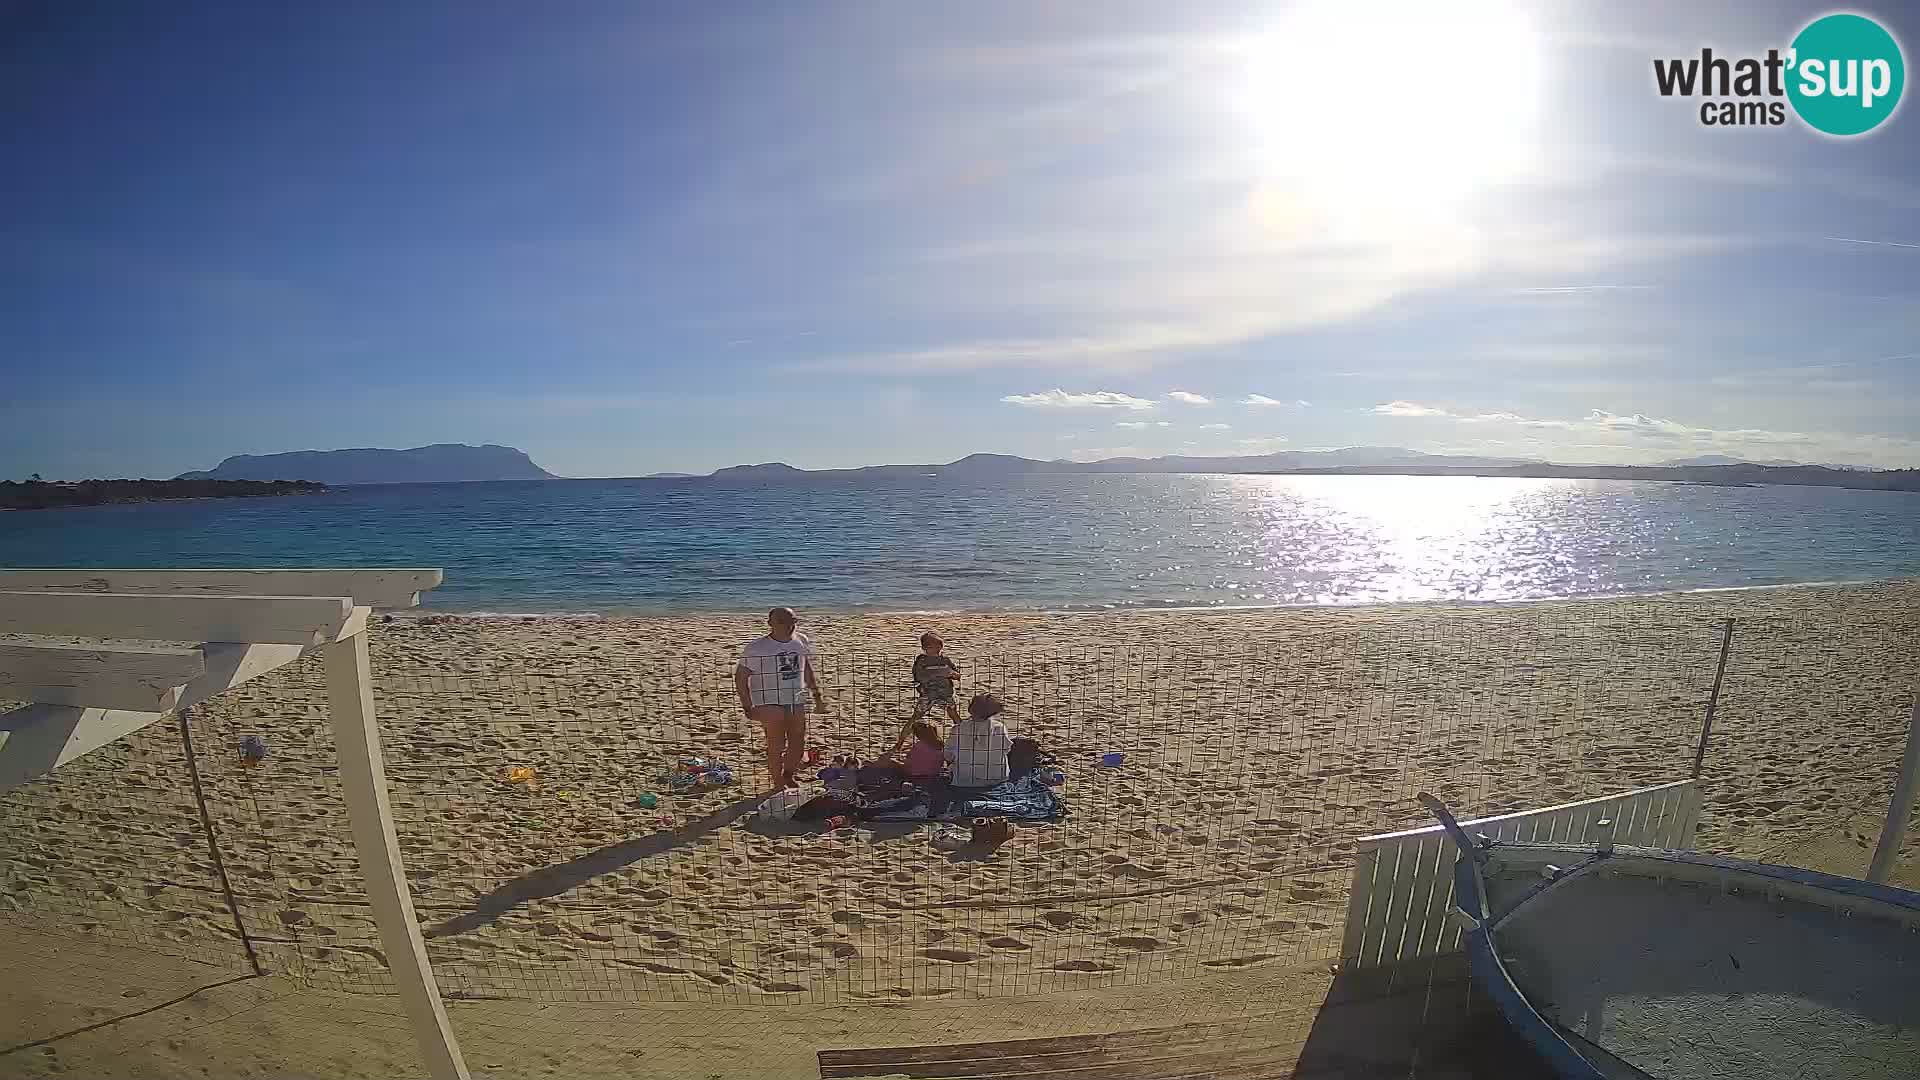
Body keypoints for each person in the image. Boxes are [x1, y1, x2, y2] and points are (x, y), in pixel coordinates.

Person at [734, 607, 824, 791]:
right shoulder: (756, 648)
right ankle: (777, 781)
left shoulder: (801, 640)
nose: (789, 626)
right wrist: (747, 706)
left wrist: (817, 696)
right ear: (771, 624)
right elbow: (741, 677)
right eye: (783, 621)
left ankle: (788, 775)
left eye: (793, 621)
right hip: (768, 701)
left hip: (795, 698)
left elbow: (806, 668)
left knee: (798, 742)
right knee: (776, 744)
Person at [891, 632, 962, 754]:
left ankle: (967, 738)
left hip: (946, 693)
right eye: (933, 646)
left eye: (940, 646)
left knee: (954, 716)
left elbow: (958, 675)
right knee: (915, 718)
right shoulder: (921, 660)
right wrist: (933, 675)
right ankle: (899, 744)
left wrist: (952, 674)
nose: (938, 649)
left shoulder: (945, 660)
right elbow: (918, 677)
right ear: (924, 648)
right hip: (928, 694)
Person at [948, 693, 1011, 789]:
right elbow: (1007, 749)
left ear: (971, 709)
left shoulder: (958, 729)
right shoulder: (1000, 727)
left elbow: (948, 756)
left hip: (964, 781)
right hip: (998, 779)